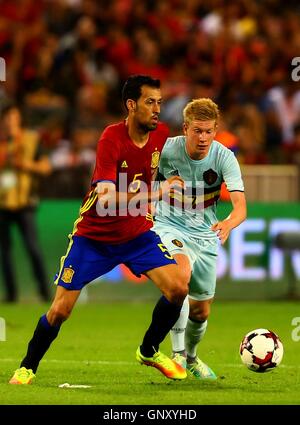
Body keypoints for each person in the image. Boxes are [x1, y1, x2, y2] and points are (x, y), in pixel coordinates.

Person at [9, 75, 190, 385]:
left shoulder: (160, 135)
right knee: (60, 310)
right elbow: (106, 197)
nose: (157, 109)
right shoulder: (111, 138)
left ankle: (148, 349)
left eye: (160, 102)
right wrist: (155, 194)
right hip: (94, 238)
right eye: (150, 102)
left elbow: (181, 157)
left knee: (178, 289)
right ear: (131, 105)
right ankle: (27, 366)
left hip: (136, 234)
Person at [152, 98, 247, 379]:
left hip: (205, 235)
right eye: (197, 131)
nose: (203, 137)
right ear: (185, 129)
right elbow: (142, 181)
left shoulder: (224, 157)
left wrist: (228, 224)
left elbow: (241, 206)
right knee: (180, 277)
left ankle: (191, 357)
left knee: (201, 311)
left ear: (215, 130)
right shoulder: (166, 150)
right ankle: (178, 354)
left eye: (208, 131)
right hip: (168, 225)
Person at [0, 104, 52, 303]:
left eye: (13, 117)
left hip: (25, 201)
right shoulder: (2, 144)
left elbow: (46, 167)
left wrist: (26, 165)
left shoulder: (31, 140)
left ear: (19, 119)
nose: (10, 122)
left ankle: (44, 293)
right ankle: (11, 295)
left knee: (33, 247)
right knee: (4, 252)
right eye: (7, 118)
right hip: (3, 203)